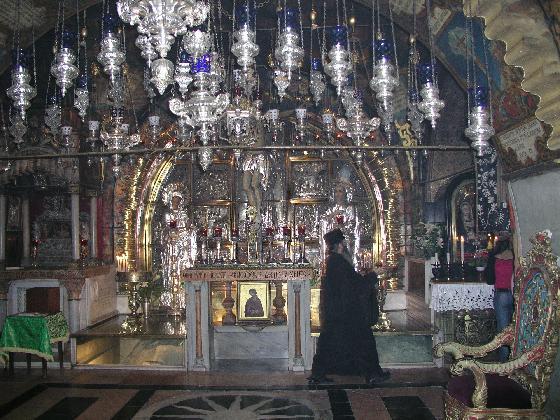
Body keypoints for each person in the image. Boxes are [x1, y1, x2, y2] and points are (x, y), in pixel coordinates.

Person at [308, 228, 389, 385]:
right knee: (364, 342)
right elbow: (355, 285)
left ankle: (318, 375)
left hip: (338, 312)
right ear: (340, 245)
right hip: (345, 313)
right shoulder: (338, 262)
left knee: (329, 344)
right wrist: (374, 274)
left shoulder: (333, 261)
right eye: (343, 243)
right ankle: (373, 374)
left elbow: (350, 283)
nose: (345, 245)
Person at [485, 232, 514, 361]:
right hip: (514, 294)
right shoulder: (515, 256)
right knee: (514, 327)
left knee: (503, 331)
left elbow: (490, 279)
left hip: (501, 294)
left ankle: (503, 362)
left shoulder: (494, 257)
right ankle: (513, 357)